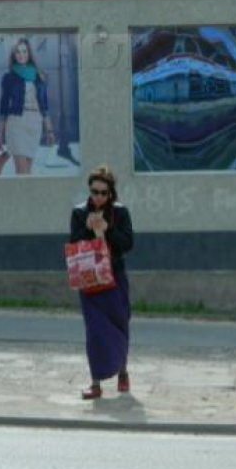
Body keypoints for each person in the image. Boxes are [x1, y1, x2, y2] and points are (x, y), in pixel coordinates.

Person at [69, 165, 134, 399]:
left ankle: (123, 372)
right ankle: (95, 382)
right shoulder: (79, 213)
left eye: (103, 193)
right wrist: (87, 230)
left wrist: (107, 231)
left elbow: (128, 243)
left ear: (111, 194)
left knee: (120, 324)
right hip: (90, 279)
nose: (98, 197)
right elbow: (72, 245)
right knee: (95, 330)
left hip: (115, 277)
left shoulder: (120, 213)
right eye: (94, 192)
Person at [0, 38, 55, 175]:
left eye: (24, 51)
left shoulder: (39, 76)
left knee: (28, 172)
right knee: (21, 171)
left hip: (35, 123)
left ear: (29, 53)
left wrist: (49, 130)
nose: (21, 55)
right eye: (18, 52)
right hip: (16, 123)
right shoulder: (9, 77)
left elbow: (44, 105)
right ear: (14, 55)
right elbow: (3, 107)